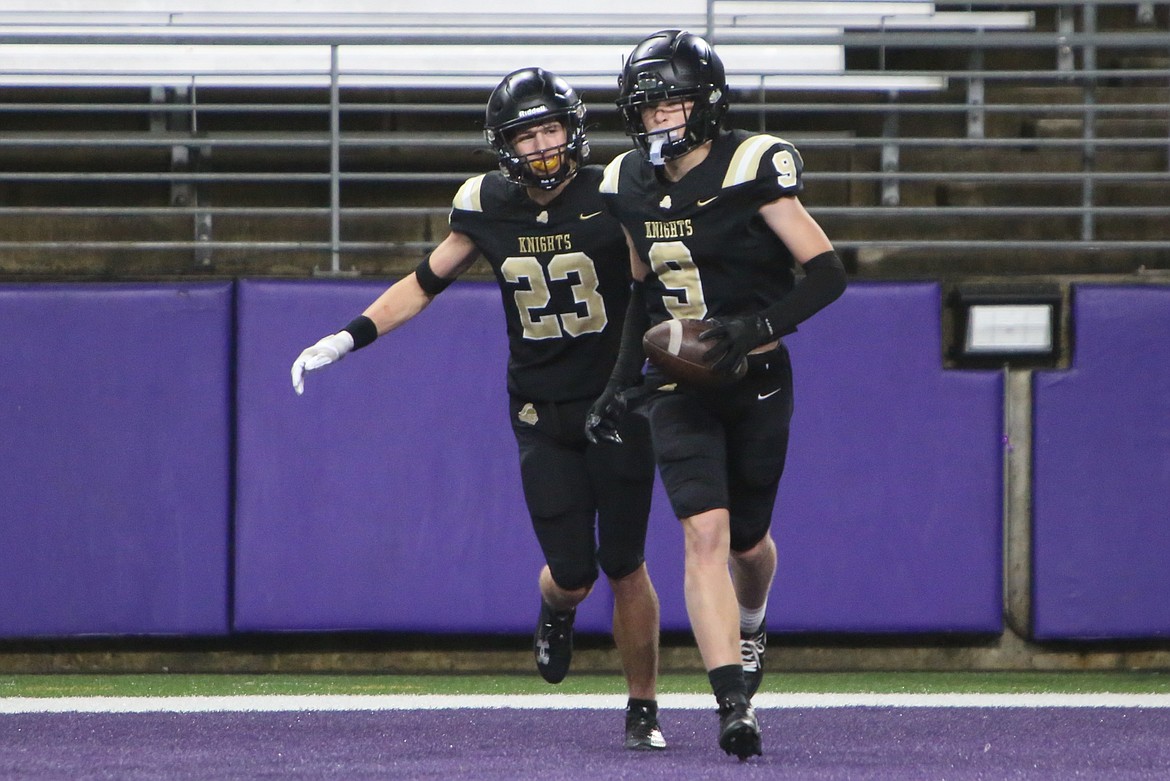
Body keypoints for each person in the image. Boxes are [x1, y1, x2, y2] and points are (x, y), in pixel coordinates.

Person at [291, 67, 666, 751]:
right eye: (527, 134)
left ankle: (643, 705)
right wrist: (349, 336)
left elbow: (659, 277)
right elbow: (424, 281)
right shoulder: (487, 203)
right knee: (575, 573)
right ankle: (556, 608)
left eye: (552, 127)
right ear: (504, 145)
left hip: (616, 401)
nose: (544, 144)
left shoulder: (615, 191)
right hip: (540, 409)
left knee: (626, 560)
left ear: (574, 126)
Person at [586, 30, 848, 760]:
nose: (660, 116)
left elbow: (828, 273)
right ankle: (733, 703)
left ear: (706, 102)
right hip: (681, 383)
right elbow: (640, 288)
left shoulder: (751, 162)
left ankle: (754, 617)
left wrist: (754, 326)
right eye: (648, 105)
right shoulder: (627, 180)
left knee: (748, 543)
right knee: (701, 533)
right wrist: (618, 384)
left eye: (672, 100)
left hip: (757, 375)